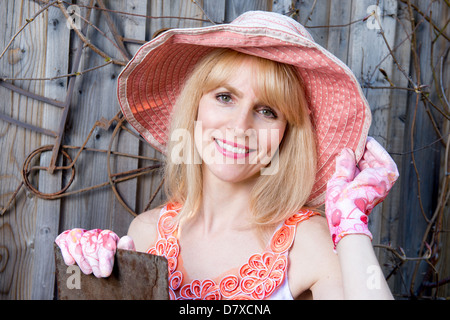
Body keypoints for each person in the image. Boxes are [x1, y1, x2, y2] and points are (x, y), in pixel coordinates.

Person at [55, 11, 399, 300]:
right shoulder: (143, 234)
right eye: (225, 97)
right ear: (195, 107)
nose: (239, 126)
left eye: (267, 111)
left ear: (285, 136)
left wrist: (352, 229)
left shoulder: (310, 243)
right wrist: (88, 281)